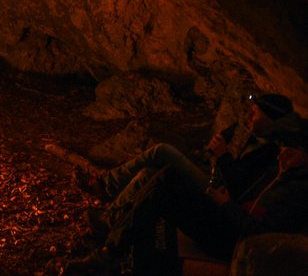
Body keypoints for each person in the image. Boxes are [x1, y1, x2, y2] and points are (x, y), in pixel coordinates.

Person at [63, 112, 308, 276]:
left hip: (232, 236)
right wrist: (217, 166)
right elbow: (232, 181)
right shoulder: (271, 162)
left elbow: (263, 234)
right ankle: (113, 235)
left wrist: (225, 199)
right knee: (163, 178)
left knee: (164, 164)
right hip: (225, 208)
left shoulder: (295, 188)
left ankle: (109, 248)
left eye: (255, 112)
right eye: (282, 149)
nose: (281, 156)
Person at [73, 93, 292, 231]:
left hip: (220, 199)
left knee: (162, 151)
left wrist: (223, 155)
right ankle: (111, 216)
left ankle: (107, 184)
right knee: (148, 174)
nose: (249, 117)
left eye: (255, 114)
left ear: (271, 118)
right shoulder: (258, 141)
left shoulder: (273, 151)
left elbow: (239, 187)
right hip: (217, 183)